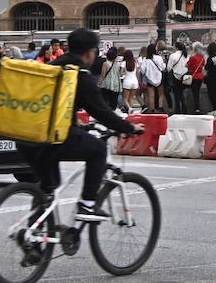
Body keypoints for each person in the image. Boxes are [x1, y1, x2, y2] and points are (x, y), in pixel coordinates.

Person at [20, 29, 140, 222]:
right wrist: (129, 127)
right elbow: (102, 112)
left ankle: (35, 238)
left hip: (26, 136)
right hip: (50, 137)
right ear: (90, 52)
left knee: (49, 187)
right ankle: (87, 204)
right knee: (99, 149)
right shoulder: (80, 75)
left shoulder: (52, 66)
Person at [138, 44, 165, 114]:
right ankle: (160, 108)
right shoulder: (159, 58)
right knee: (161, 94)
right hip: (159, 78)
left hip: (150, 79)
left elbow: (142, 70)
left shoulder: (146, 59)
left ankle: (152, 109)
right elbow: (162, 68)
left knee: (151, 95)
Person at [166, 41, 190, 114]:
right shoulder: (186, 55)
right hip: (184, 76)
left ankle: (177, 109)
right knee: (182, 93)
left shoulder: (173, 55)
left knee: (176, 94)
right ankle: (185, 108)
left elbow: (168, 68)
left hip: (176, 76)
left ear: (176, 47)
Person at [187, 43, 206, 114]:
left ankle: (196, 108)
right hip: (200, 77)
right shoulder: (202, 58)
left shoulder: (192, 57)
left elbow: (187, 65)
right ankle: (197, 108)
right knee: (197, 92)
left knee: (194, 93)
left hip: (194, 77)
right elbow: (203, 65)